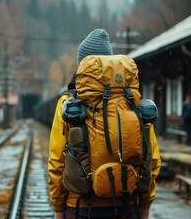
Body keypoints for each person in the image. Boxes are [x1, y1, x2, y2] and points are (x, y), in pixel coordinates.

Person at [48, 28, 161, 219]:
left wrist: (59, 209)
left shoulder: (68, 103)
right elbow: (152, 158)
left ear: (81, 67)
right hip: (127, 206)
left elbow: (57, 162)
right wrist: (145, 205)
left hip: (81, 208)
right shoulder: (133, 103)